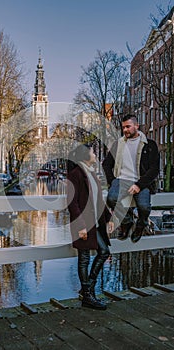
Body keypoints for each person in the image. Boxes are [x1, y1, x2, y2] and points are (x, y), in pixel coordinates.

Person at [67, 144, 113, 310]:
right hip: (84, 223)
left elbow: (99, 200)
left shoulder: (91, 172)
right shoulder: (75, 174)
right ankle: (87, 295)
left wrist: (109, 218)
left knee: (104, 252)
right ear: (86, 155)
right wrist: (80, 226)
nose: (95, 154)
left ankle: (87, 287)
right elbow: (72, 203)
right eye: (93, 152)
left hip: (95, 223)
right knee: (84, 257)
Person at [102, 114, 160, 243]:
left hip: (141, 181)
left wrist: (139, 185)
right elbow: (106, 164)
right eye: (123, 127)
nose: (125, 130)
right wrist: (112, 181)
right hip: (121, 180)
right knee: (111, 199)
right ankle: (127, 221)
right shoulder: (118, 144)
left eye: (128, 126)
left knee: (144, 207)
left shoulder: (150, 145)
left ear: (136, 126)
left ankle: (140, 225)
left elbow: (154, 169)